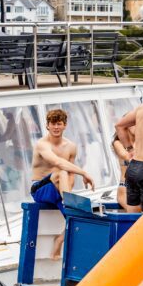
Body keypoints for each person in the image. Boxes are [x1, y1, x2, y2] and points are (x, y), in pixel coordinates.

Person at [30, 109, 95, 258]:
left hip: (60, 191)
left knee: (80, 218)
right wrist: (84, 173)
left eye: (59, 124)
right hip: (40, 190)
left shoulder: (71, 146)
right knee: (61, 171)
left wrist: (68, 191)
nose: (56, 127)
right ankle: (69, 202)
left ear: (65, 125)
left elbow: (70, 175)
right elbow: (57, 162)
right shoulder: (42, 144)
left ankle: (59, 239)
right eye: (53, 124)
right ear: (47, 126)